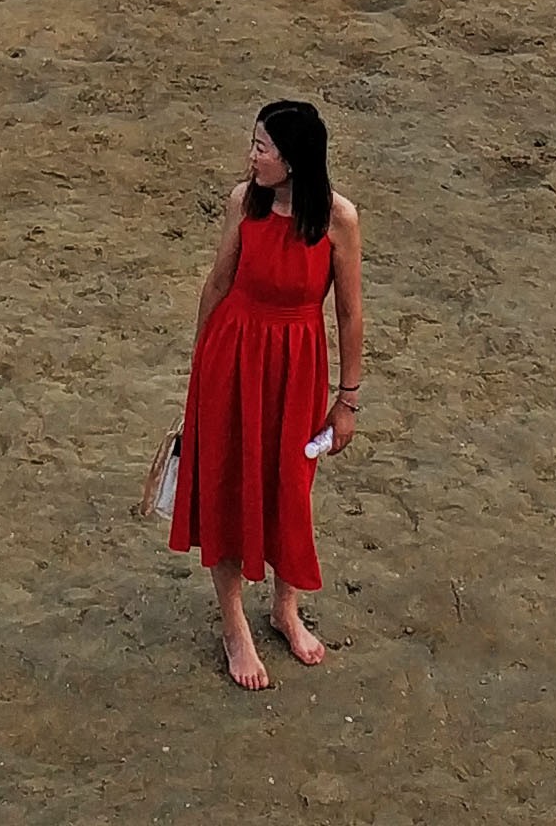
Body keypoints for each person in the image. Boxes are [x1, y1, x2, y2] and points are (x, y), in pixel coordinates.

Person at [169, 102, 363, 692]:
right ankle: (234, 627)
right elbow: (219, 281)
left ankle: (285, 609)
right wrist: (201, 367)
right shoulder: (243, 203)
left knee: (289, 489)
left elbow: (350, 313)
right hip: (234, 356)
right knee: (227, 485)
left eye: (261, 147)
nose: (251, 157)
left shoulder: (337, 218)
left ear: (294, 158)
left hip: (298, 367)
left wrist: (347, 400)